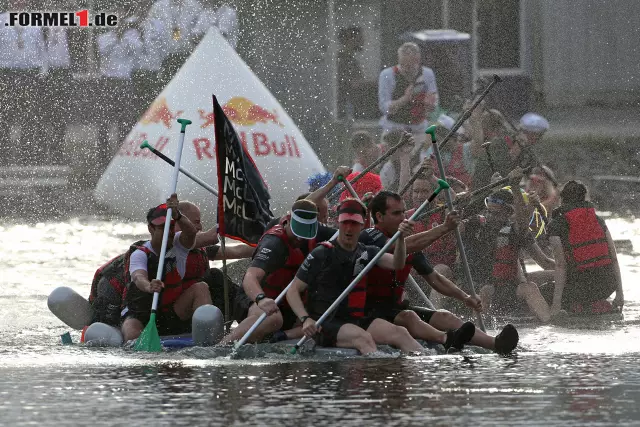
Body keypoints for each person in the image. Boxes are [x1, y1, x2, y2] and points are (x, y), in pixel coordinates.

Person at [362, 190, 519, 354]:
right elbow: (400, 246)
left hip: (393, 308)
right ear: (379, 217)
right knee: (408, 316)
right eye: (396, 213)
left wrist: (465, 297)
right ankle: (448, 339)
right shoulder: (369, 235)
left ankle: (496, 344)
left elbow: (435, 279)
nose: (403, 218)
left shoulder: (408, 243)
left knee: (446, 316)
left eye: (403, 212)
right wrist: (445, 228)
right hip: (367, 312)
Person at [287, 198, 428, 354]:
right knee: (363, 338)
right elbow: (292, 290)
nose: (348, 228)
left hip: (355, 318)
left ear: (362, 225)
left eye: (354, 223)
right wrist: (305, 319)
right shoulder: (322, 253)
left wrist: (401, 237)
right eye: (344, 223)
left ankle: (428, 368)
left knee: (401, 333)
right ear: (338, 223)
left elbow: (398, 264)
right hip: (324, 322)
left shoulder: (368, 252)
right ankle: (374, 375)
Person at [220, 198, 324, 345]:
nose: (300, 238)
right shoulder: (274, 243)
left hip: (283, 304)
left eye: (304, 232)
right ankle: (224, 345)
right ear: (287, 221)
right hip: (253, 299)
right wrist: (261, 298)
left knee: (318, 317)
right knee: (273, 317)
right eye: (297, 231)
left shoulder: (316, 232)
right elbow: (250, 276)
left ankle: (277, 337)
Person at [463, 170, 554, 322]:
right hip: (480, 287)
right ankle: (476, 329)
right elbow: (454, 225)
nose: (491, 217)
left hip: (509, 288)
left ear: (507, 214)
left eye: (496, 214)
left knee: (529, 287)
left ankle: (550, 324)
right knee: (485, 290)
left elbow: (523, 222)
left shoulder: (514, 231)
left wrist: (515, 187)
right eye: (489, 212)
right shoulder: (476, 225)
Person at [120, 194, 212, 341]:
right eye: (162, 227)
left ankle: (208, 341)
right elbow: (138, 277)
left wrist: (179, 215)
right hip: (140, 313)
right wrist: (149, 286)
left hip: (170, 311)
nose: (168, 232)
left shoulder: (179, 246)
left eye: (170, 226)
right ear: (151, 228)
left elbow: (191, 232)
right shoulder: (140, 253)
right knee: (132, 336)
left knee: (201, 288)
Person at [547, 181, 624, 315]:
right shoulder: (598, 220)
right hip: (606, 286)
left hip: (580, 287)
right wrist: (620, 294)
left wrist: (556, 305)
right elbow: (614, 259)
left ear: (562, 200)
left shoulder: (556, 225)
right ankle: (596, 304)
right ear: (584, 198)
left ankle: (576, 307)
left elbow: (560, 265)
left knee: (545, 292)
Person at [176, 201, 255, 318]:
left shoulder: (200, 248)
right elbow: (211, 237)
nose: (200, 227)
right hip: (177, 309)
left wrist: (267, 244)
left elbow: (238, 251)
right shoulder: (171, 243)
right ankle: (248, 313)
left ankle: (251, 311)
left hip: (199, 303)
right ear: (181, 222)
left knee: (216, 277)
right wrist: (226, 220)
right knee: (212, 278)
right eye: (196, 222)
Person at [378, 42, 438, 158]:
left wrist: (430, 104)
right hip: (394, 129)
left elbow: (434, 101)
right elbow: (383, 107)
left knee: (422, 162)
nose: (408, 69)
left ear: (418, 60)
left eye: (411, 65)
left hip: (418, 129)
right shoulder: (387, 75)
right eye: (404, 65)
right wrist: (404, 99)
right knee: (388, 160)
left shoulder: (427, 74)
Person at [337, 26, 366, 119]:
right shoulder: (342, 60)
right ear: (350, 40)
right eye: (359, 38)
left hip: (351, 106)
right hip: (344, 107)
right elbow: (353, 83)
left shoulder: (351, 60)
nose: (363, 42)